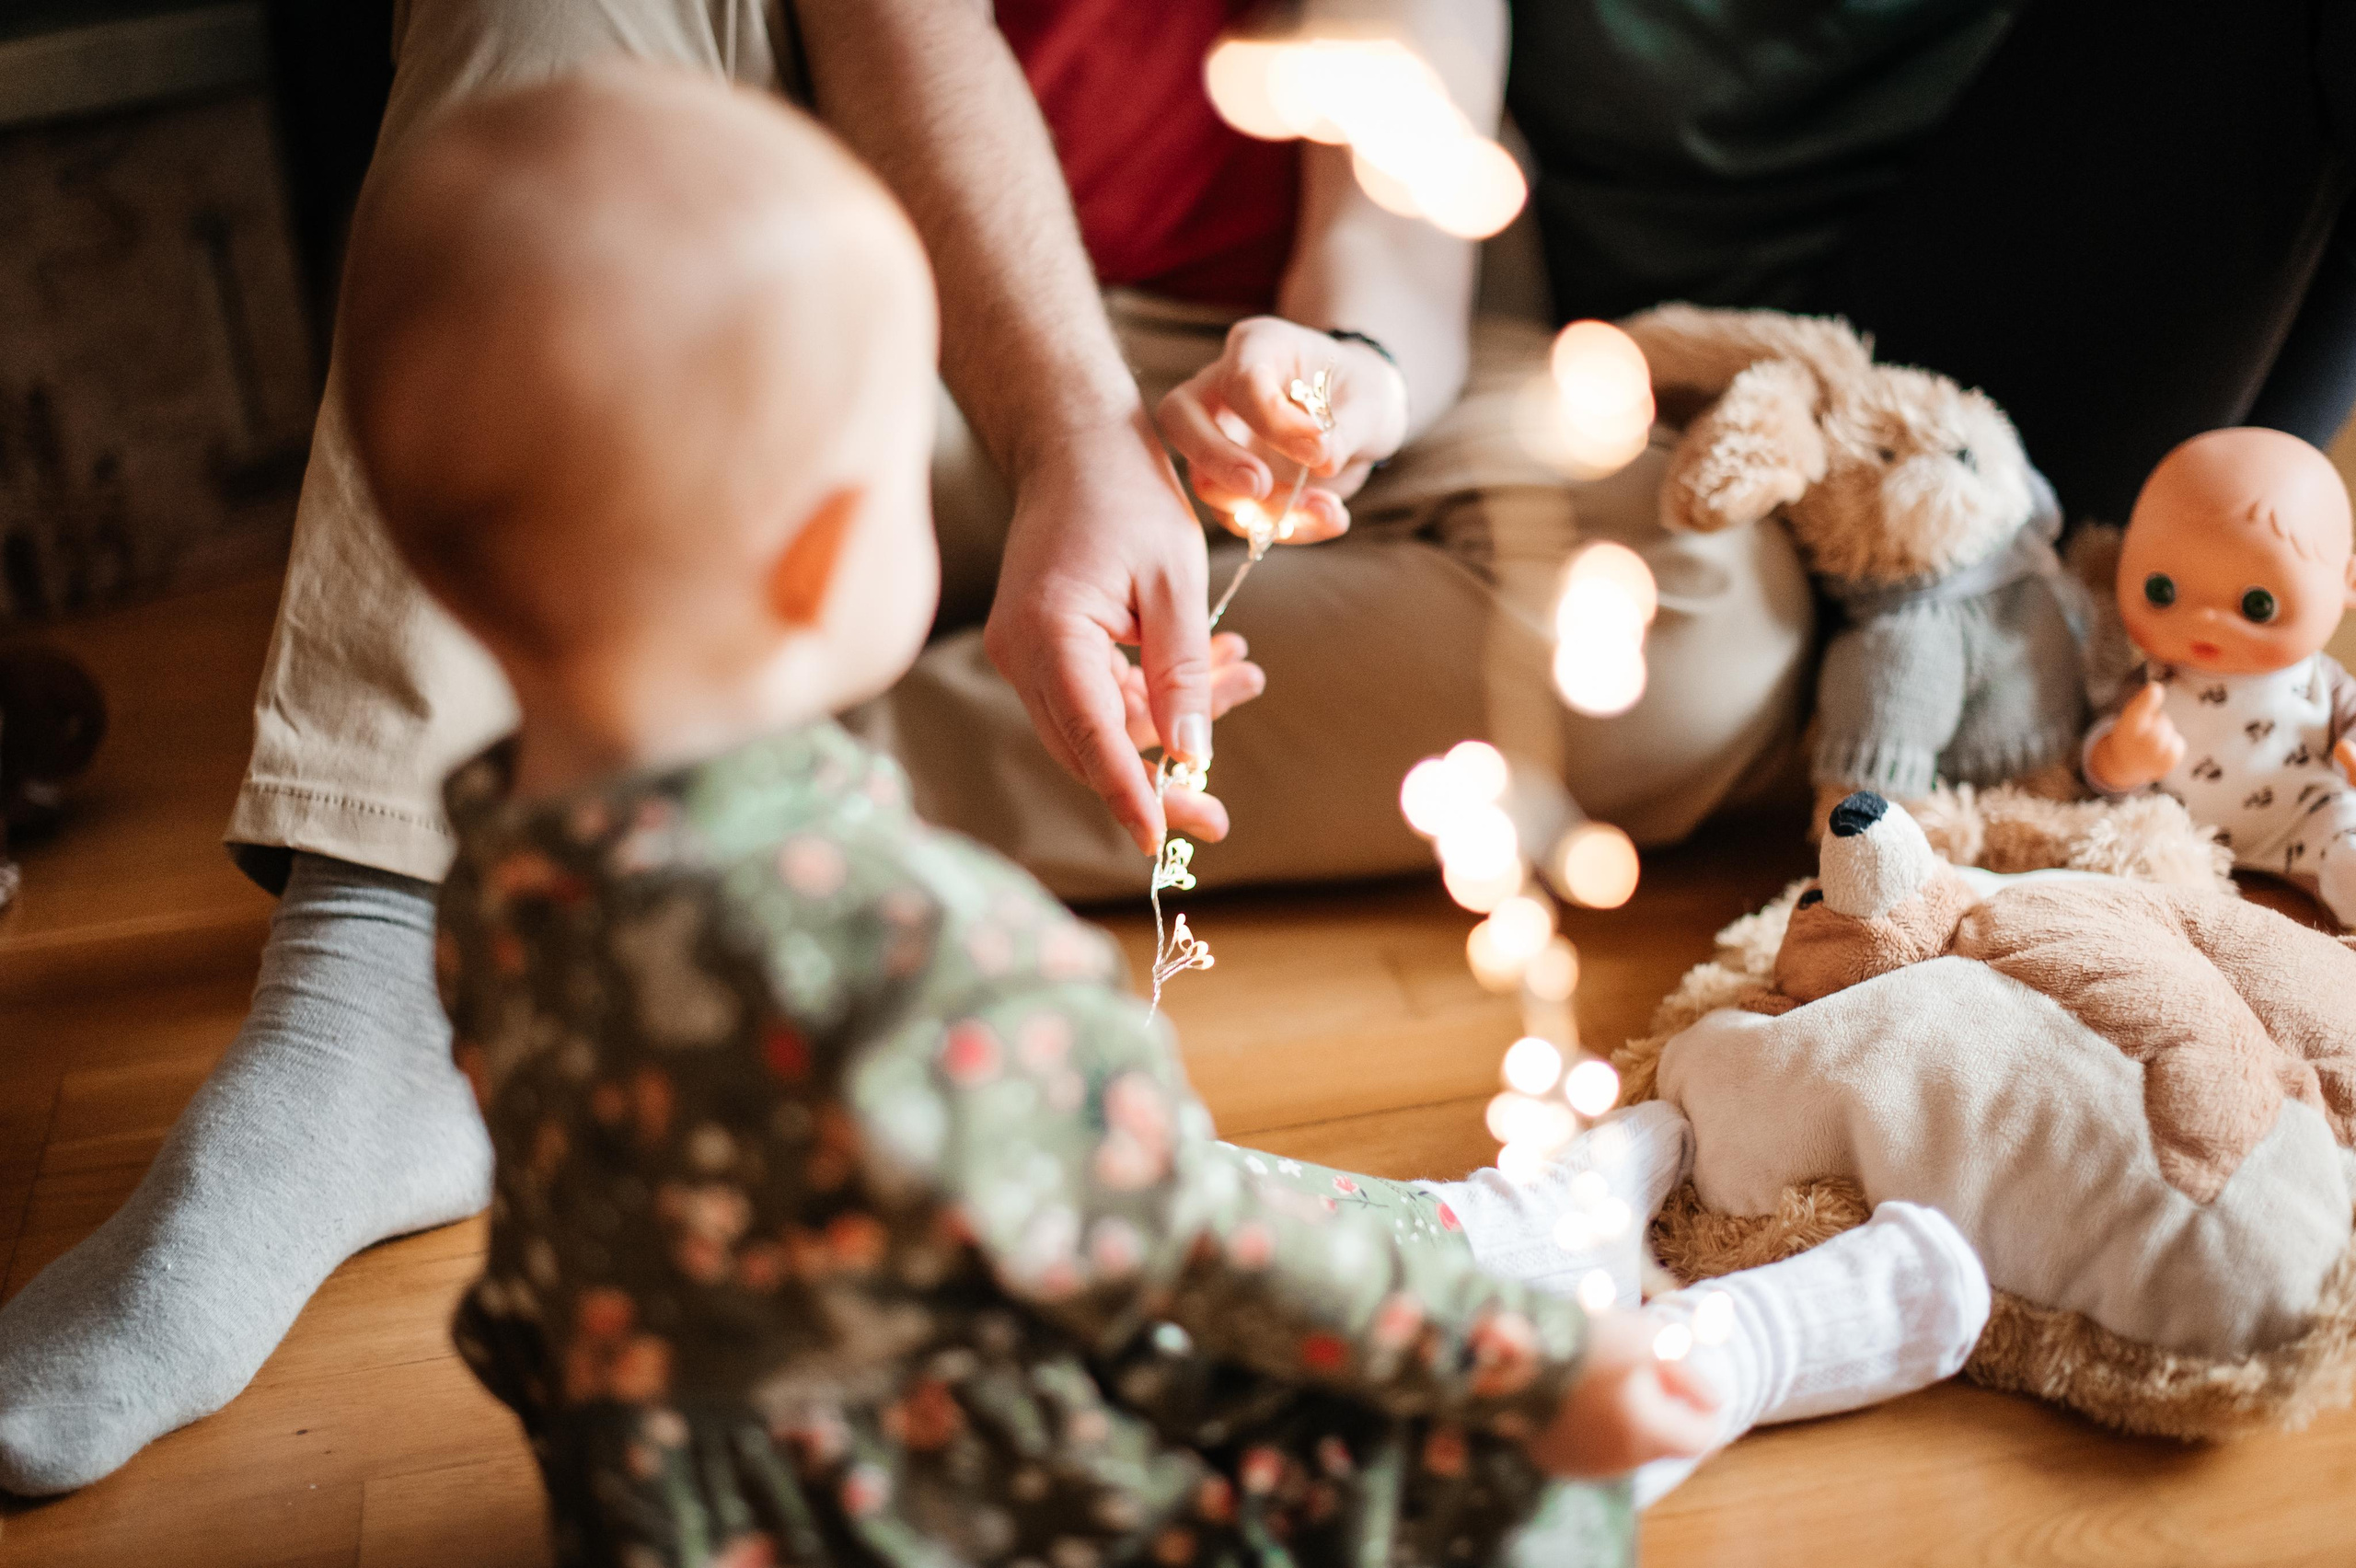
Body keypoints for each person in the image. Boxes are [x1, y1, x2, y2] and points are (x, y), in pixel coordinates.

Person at [0, 0, 1814, 1493]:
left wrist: (1350, 365)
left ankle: (627, 745)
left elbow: (1408, 157)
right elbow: (1192, 1235)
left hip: (1211, 372)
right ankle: (377, 962)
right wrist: (1514, 1364)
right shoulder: (986, 1019)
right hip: (846, 320)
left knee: (1703, 617)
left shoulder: (885, 1034)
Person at [348, 68, 1717, 1566]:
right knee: (1505, 1478)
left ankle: (1509, 1235)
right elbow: (1201, 1243)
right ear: (824, 555)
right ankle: (1641, 1312)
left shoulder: (496, 860)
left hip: (663, 1502)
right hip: (936, 1506)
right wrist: (1532, 1368)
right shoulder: (911, 948)